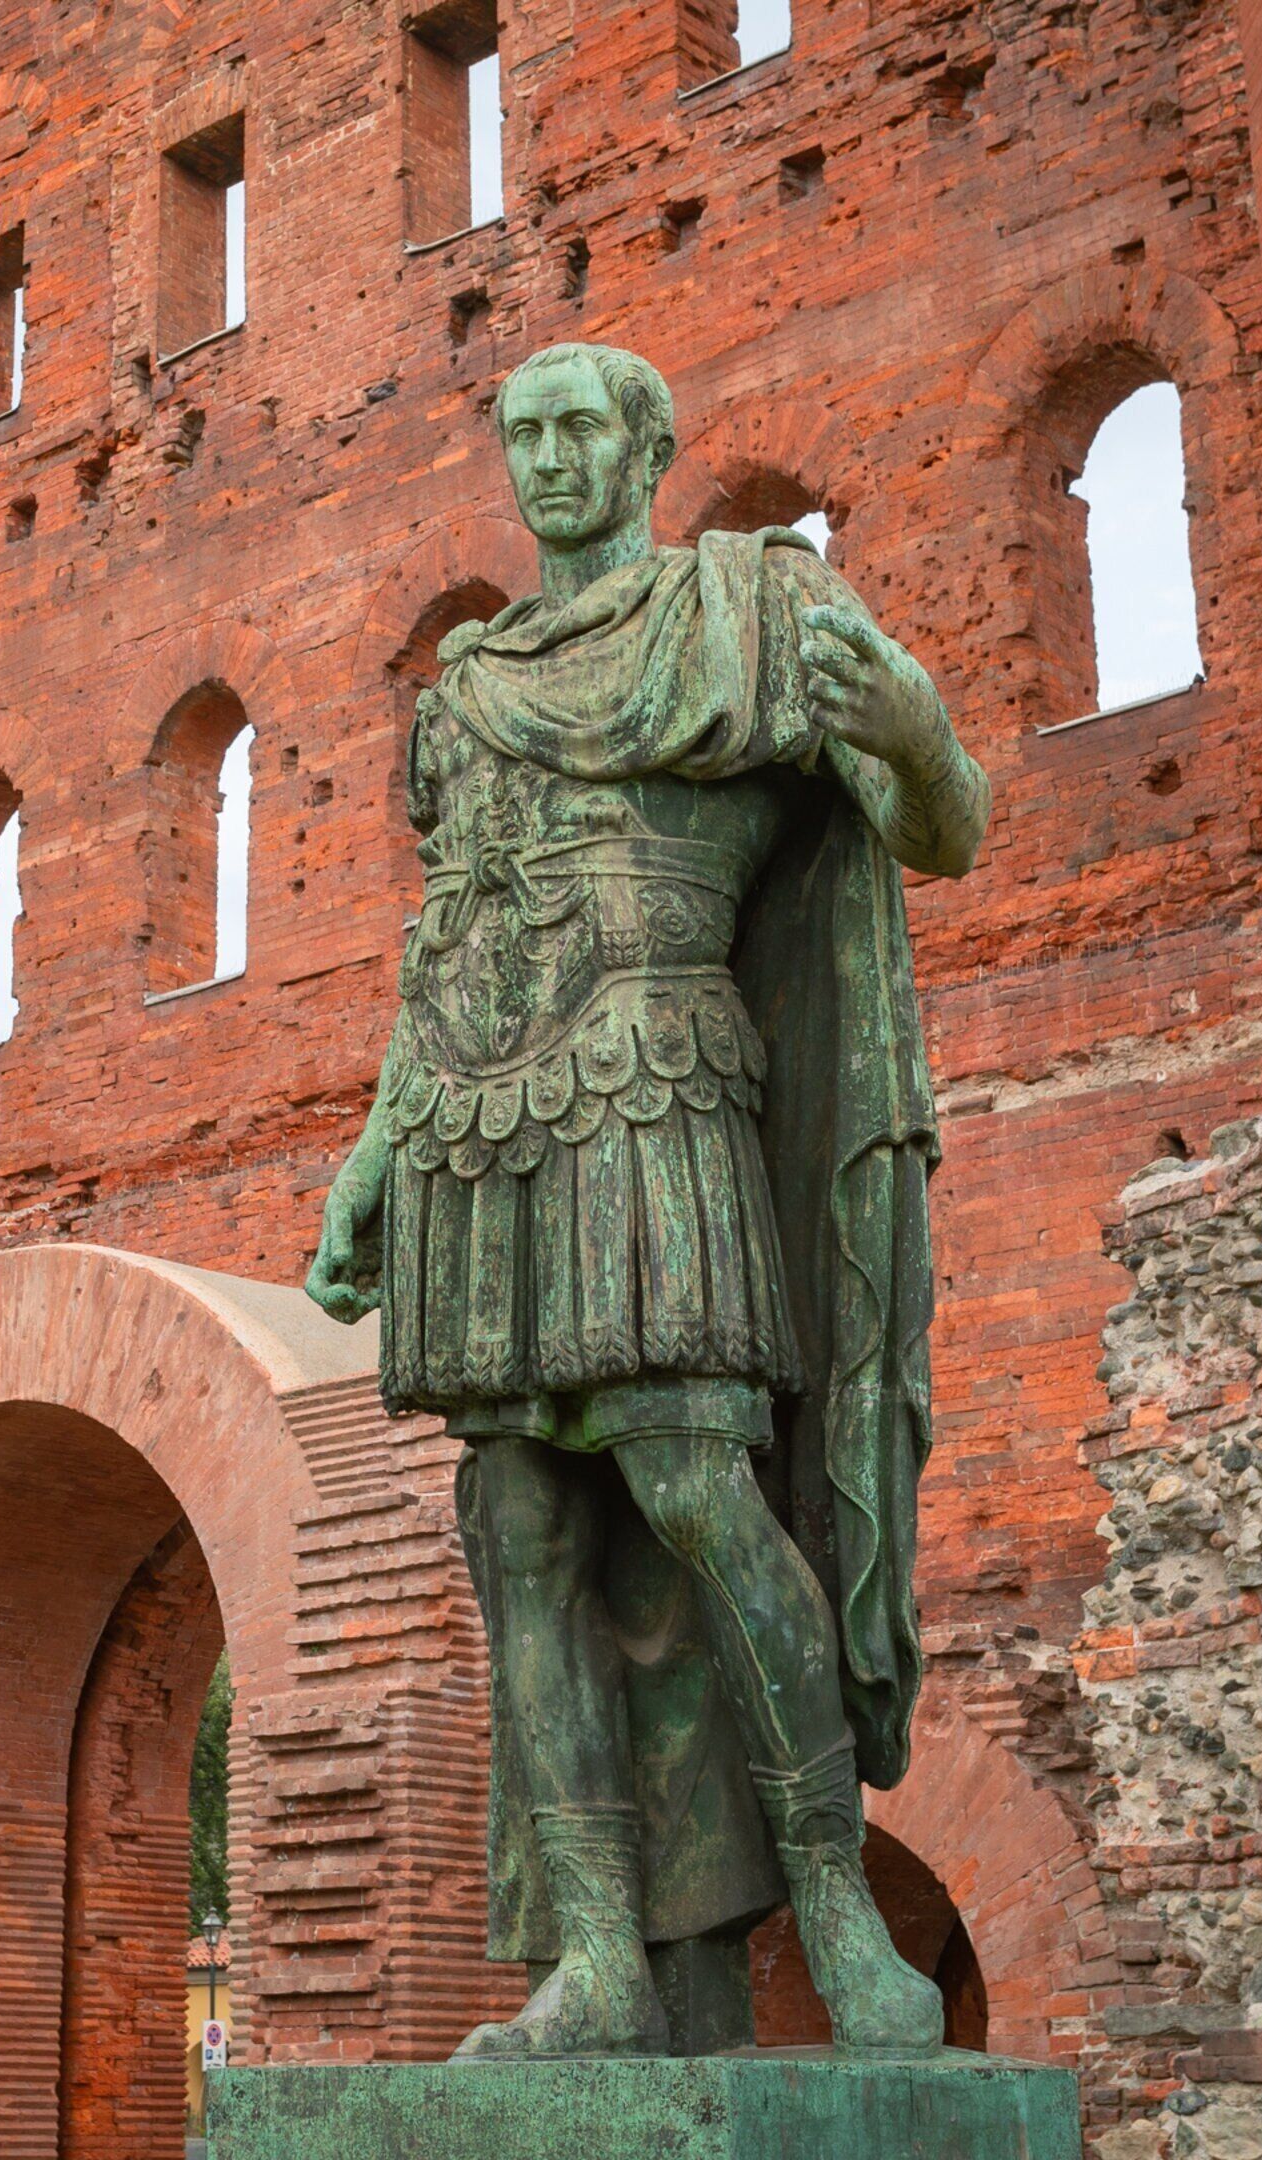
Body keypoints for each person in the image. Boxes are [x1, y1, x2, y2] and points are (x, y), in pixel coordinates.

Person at [306, 342, 989, 2057]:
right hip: (473, 1121)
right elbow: (442, 938)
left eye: (579, 429)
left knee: (697, 1483)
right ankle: (600, 1957)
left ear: (648, 446)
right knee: (519, 1532)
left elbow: (944, 828)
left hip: (655, 1080)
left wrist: (908, 724)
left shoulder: (742, 614)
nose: (548, 461)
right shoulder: (460, 690)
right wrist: (374, 1161)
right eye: (521, 434)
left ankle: (829, 1892)